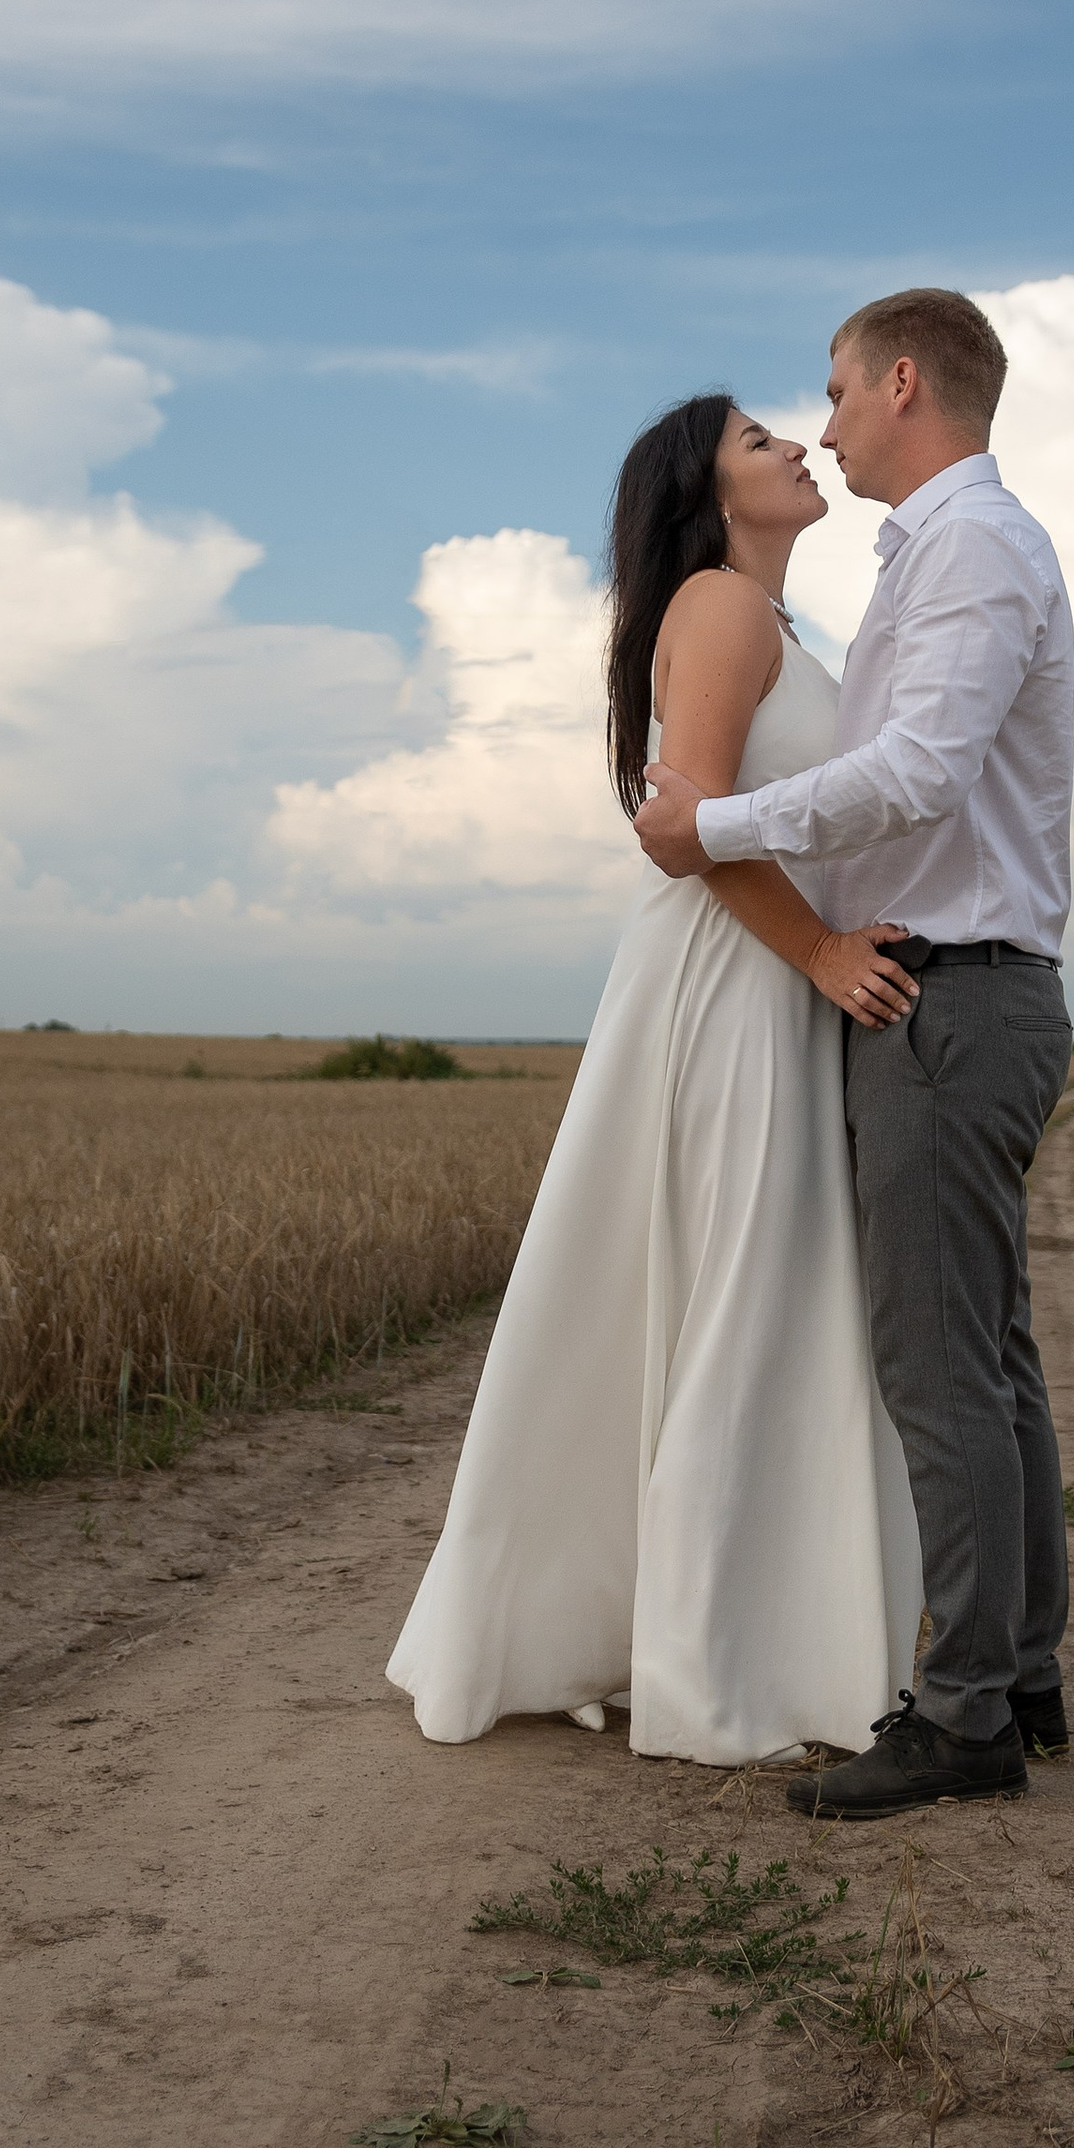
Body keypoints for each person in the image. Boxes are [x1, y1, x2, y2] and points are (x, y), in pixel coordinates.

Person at [386, 394, 924, 1765]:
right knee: (745, 1293)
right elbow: (679, 824)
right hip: (737, 984)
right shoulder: (724, 609)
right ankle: (717, 1660)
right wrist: (815, 952)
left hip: (765, 983)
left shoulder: (774, 626)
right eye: (757, 440)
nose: (798, 443)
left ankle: (736, 1630)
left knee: (742, 1291)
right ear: (706, 489)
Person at [635, 289, 1074, 1818]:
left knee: (941, 1368)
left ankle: (968, 1717)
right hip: (948, 986)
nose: (822, 427)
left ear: (904, 384)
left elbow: (918, 772)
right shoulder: (933, 556)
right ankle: (1016, 1674)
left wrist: (709, 831)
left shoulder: (970, 547)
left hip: (943, 1000)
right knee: (988, 1356)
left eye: (831, 393)